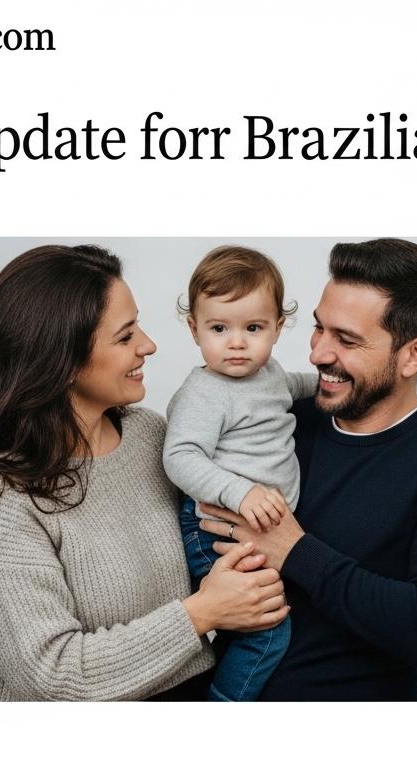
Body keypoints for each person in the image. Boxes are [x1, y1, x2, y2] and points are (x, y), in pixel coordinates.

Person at [0, 244, 289, 701]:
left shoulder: (150, 437)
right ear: (62, 359)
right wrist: (203, 613)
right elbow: (51, 676)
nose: (148, 345)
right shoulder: (0, 496)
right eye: (126, 336)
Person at [198, 239, 417, 700]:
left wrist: (295, 550)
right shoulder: (281, 418)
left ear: (413, 355)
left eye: (346, 339)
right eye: (319, 329)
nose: (318, 353)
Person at [163, 246, 314, 700]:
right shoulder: (205, 391)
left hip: (256, 532)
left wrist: (332, 380)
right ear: (194, 329)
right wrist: (240, 491)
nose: (236, 342)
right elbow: (181, 456)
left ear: (277, 327)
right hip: (216, 529)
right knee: (266, 634)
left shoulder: (269, 373)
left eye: (253, 328)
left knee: (255, 624)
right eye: (218, 328)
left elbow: (297, 387)